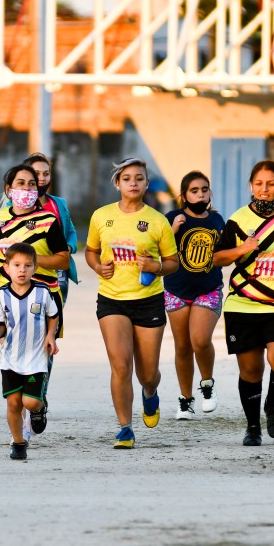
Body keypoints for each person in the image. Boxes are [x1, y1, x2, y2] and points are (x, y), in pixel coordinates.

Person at [84, 157, 178, 449]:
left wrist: (155, 267)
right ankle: (125, 427)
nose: (133, 183)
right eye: (127, 178)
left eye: (139, 178)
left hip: (148, 301)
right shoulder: (101, 216)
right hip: (112, 300)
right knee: (121, 366)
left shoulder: (158, 220)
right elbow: (90, 251)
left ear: (147, 184)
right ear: (118, 184)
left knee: (147, 373)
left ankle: (150, 393)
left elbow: (173, 262)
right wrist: (98, 267)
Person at [212, 160, 274, 447]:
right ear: (251, 186)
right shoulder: (238, 220)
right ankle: (253, 427)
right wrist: (242, 249)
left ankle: (272, 404)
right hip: (244, 303)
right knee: (250, 371)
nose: (264, 190)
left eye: (271, 184)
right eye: (259, 184)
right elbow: (216, 258)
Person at [0, 164, 69, 439]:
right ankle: (20, 429)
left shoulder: (47, 220)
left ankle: (37, 404)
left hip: (42, 296)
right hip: (5, 294)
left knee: (41, 354)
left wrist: (28, 259)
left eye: (32, 184)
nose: (27, 189)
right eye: (21, 184)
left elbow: (63, 259)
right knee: (12, 353)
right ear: (9, 190)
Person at [0, 243, 60, 460]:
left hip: (35, 359)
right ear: (6, 268)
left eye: (27, 265)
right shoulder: (1, 295)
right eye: (16, 265)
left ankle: (39, 407)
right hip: (10, 359)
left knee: (30, 402)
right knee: (14, 403)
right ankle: (18, 442)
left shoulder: (43, 293)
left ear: (35, 268)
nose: (22, 270)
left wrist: (50, 335)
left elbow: (53, 315)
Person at [163, 171, 226, 419]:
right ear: (183, 195)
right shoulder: (172, 218)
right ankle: (185, 399)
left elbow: (226, 254)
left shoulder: (218, 220)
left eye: (204, 189)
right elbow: (160, 252)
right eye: (194, 190)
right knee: (182, 345)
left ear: (210, 192)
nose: (200, 194)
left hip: (207, 289)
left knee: (199, 340)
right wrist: (172, 230)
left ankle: (207, 385)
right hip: (176, 291)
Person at [21, 152, 79, 303]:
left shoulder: (59, 203)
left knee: (54, 316)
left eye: (46, 173)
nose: (42, 177)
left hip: (58, 271)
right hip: (26, 270)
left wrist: (69, 248)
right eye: (37, 173)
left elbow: (71, 231)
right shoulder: (13, 207)